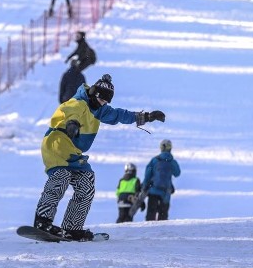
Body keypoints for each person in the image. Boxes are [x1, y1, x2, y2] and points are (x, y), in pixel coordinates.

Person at [32, 74, 166, 241]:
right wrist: (72, 124)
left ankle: (72, 228)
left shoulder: (99, 109)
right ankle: (42, 220)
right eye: (101, 100)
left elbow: (119, 115)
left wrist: (146, 117)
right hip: (57, 145)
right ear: (94, 93)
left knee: (86, 181)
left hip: (73, 153)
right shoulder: (78, 102)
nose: (103, 104)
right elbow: (69, 112)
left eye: (105, 102)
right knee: (61, 177)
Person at [144, 139, 181, 221]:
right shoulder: (172, 161)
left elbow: (147, 175)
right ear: (170, 148)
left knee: (150, 215)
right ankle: (161, 233)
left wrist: (144, 187)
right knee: (163, 217)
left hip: (153, 190)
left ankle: (149, 232)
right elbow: (177, 173)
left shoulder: (155, 160)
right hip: (166, 193)